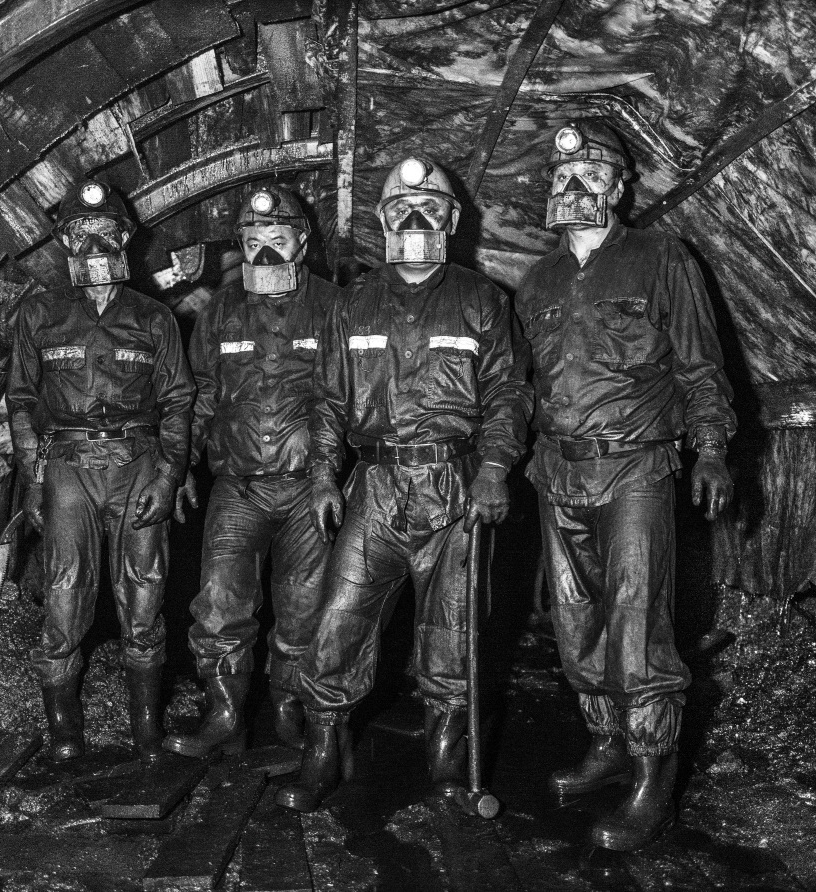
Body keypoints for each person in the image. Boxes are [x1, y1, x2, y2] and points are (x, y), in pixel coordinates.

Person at [276, 157, 532, 813]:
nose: (415, 219)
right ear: (381, 221)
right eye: (400, 208)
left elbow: (508, 394)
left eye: (430, 208)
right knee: (339, 621)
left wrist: (495, 469)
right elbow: (329, 398)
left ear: (453, 219)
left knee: (452, 635)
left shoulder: (481, 300)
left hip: (455, 488)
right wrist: (322, 474)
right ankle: (323, 752)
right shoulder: (353, 302)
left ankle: (446, 762)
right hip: (376, 489)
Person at [517, 121, 736, 850]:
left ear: (619, 187)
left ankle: (652, 777)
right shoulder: (537, 281)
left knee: (638, 624)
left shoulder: (661, 258)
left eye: (591, 174)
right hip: (557, 469)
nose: (573, 185)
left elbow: (700, 363)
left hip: (636, 467)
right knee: (576, 624)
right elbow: (523, 385)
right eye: (561, 176)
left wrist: (711, 449)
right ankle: (607, 743)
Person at [7, 179, 195, 763]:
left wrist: (168, 475)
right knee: (64, 594)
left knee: (144, 593)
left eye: (105, 231)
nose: (94, 244)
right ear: (65, 242)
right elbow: (21, 401)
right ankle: (65, 729)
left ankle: (145, 727)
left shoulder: (154, 317)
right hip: (68, 466)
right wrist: (33, 479)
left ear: (124, 239)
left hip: (138, 463)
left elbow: (178, 400)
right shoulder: (38, 313)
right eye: (81, 232)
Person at [162, 185, 340, 757]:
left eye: (277, 239)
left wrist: (330, 475)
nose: (264, 253)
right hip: (237, 487)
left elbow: (346, 399)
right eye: (253, 241)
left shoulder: (335, 307)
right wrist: (180, 466)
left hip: (308, 488)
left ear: (302, 242)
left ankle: (290, 711)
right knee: (218, 605)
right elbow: (200, 395)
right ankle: (225, 715)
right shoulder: (220, 309)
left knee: (304, 609)